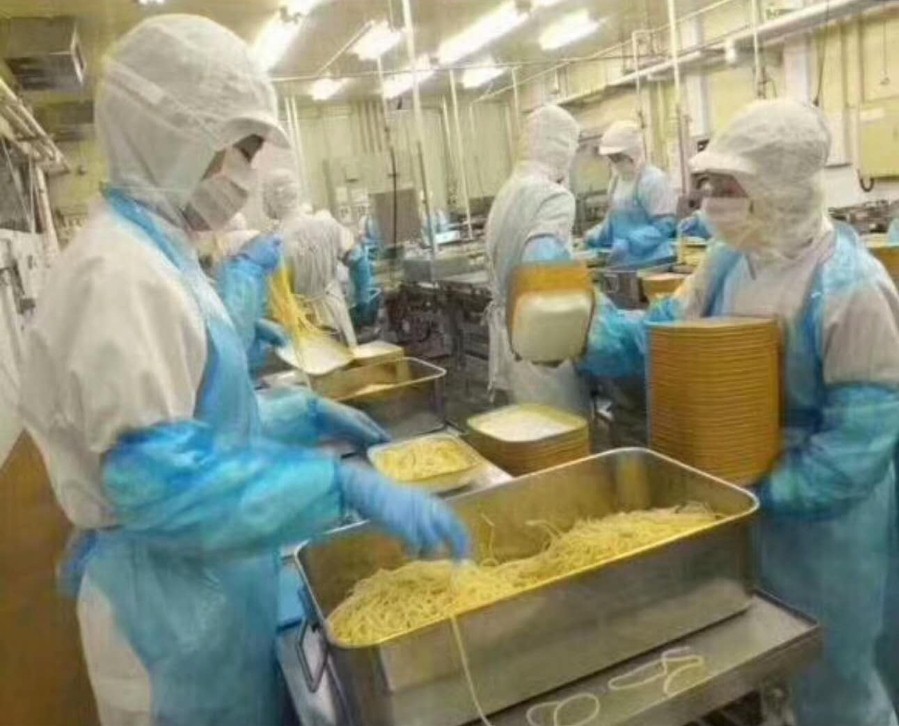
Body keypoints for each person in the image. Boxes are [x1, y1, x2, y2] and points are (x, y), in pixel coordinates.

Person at [18, 15, 470, 726]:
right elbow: (159, 485)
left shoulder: (157, 252)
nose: (246, 175)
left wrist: (297, 416)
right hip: (169, 625)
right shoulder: (117, 273)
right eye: (243, 148)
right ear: (176, 134)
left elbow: (194, 419)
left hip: (208, 590)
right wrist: (335, 485)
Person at [579, 98, 899, 726]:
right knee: (772, 666)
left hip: (828, 531)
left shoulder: (849, 286)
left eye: (729, 187)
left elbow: (861, 437)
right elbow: (669, 334)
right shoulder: (728, 259)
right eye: (710, 185)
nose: (712, 202)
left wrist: (771, 492)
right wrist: (597, 332)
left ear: (779, 188)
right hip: (746, 505)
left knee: (835, 679)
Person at [484, 104, 590, 415]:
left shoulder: (508, 191)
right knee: (560, 426)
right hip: (542, 340)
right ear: (562, 149)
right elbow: (543, 270)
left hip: (511, 332)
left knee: (528, 424)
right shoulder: (553, 196)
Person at [262, 169, 374, 347]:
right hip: (335, 310)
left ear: (271, 199)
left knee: (317, 363)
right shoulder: (328, 226)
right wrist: (362, 300)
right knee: (346, 361)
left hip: (302, 322)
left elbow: (272, 299)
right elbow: (360, 263)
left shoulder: (273, 244)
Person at [584, 119, 677, 267]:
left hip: (654, 262)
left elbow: (664, 226)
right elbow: (612, 221)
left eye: (618, 156)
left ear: (632, 153)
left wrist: (629, 243)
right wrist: (594, 236)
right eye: (612, 157)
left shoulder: (654, 180)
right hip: (624, 261)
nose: (615, 161)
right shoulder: (615, 182)